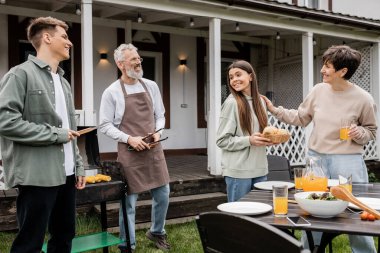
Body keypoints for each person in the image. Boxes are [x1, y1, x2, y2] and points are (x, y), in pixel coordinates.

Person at [262, 45, 377, 253]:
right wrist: (274, 110)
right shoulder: (318, 90)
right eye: (324, 65)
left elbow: (371, 131)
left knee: (354, 212)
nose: (322, 70)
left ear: (343, 72)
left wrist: (359, 133)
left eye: (328, 67)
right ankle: (310, 250)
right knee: (311, 209)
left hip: (348, 161)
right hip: (316, 159)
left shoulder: (364, 99)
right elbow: (300, 117)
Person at [0, 17, 86, 253]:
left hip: (67, 174)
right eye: (64, 37)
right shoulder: (19, 75)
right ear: (47, 38)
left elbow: (71, 128)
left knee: (64, 236)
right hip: (36, 175)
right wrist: (55, 134)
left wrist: (78, 166)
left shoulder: (64, 82)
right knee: (30, 243)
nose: (69, 43)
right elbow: (6, 121)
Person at [99, 43, 170, 252]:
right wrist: (129, 138)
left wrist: (158, 132)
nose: (138, 62)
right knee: (128, 202)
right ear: (121, 64)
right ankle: (126, 243)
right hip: (129, 152)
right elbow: (104, 125)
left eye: (138, 58)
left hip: (154, 148)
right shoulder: (111, 92)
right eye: (133, 59)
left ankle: (157, 231)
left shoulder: (151, 86)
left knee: (163, 193)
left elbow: (161, 115)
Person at [216, 60, 273, 202]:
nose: (234, 80)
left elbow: (259, 132)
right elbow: (222, 140)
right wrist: (249, 140)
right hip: (238, 173)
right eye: (231, 77)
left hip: (260, 169)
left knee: (260, 216)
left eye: (238, 75)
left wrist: (268, 139)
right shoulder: (231, 103)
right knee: (238, 219)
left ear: (251, 76)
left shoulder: (260, 101)